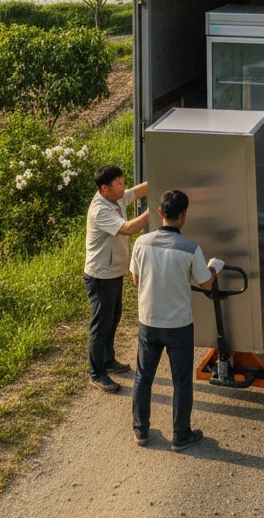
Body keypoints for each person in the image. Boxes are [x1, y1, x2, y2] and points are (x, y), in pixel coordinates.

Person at [130, 189, 224, 451]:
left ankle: (141, 430)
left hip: (148, 321)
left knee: (143, 376)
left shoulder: (141, 243)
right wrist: (214, 267)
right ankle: (181, 435)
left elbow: (136, 279)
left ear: (160, 213)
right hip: (178, 325)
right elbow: (205, 284)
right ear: (184, 216)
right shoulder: (190, 248)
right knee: (181, 380)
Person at [85, 164, 149, 393]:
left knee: (113, 318)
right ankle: (97, 373)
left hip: (114, 272)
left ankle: (108, 359)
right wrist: (155, 210)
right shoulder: (100, 210)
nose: (124, 187)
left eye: (123, 182)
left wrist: (164, 180)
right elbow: (129, 228)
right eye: (119, 183)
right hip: (100, 276)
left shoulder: (116, 197)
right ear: (105, 188)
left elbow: (137, 191)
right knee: (101, 325)